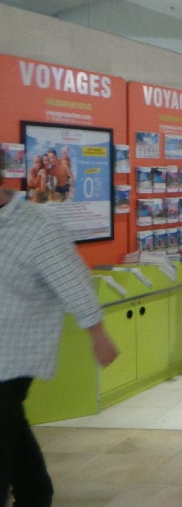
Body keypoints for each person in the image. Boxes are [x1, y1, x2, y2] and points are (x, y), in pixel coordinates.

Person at [0, 187, 119, 506]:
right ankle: (36, 493)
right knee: (11, 430)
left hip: (12, 356)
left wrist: (98, 333)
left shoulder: (37, 225)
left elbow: (73, 281)